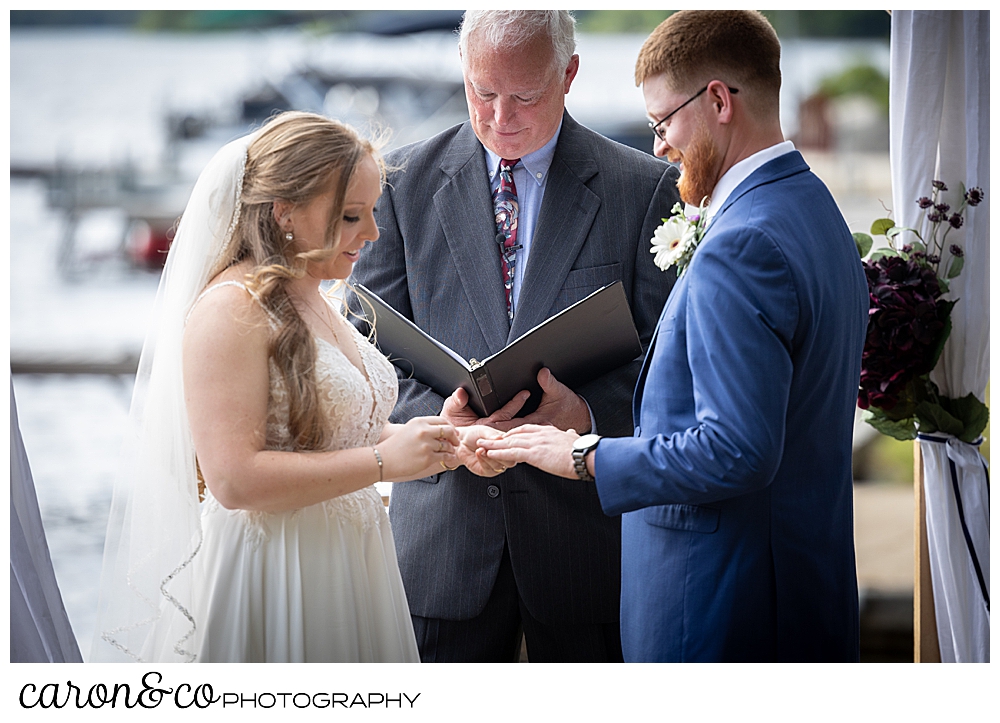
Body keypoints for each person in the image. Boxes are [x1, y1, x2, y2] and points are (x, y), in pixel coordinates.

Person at [479, 10, 870, 662]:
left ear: (717, 99)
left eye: (663, 122)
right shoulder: (814, 207)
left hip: (719, 608)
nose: (658, 146)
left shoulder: (741, 244)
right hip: (801, 586)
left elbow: (738, 448)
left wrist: (584, 455)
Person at [91, 111, 497, 663]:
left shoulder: (316, 296)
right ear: (285, 210)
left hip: (352, 561)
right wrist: (384, 462)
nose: (373, 233)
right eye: (352, 215)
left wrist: (434, 439)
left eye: (372, 211)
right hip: (278, 569)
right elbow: (233, 479)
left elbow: (332, 432)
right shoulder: (230, 309)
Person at [349, 10, 679, 662]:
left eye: (525, 95)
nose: (502, 117)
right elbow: (366, 356)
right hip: (443, 546)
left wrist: (585, 414)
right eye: (483, 92)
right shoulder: (397, 186)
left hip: (587, 551)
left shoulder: (645, 190)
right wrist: (440, 425)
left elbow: (668, 368)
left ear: (569, 75)